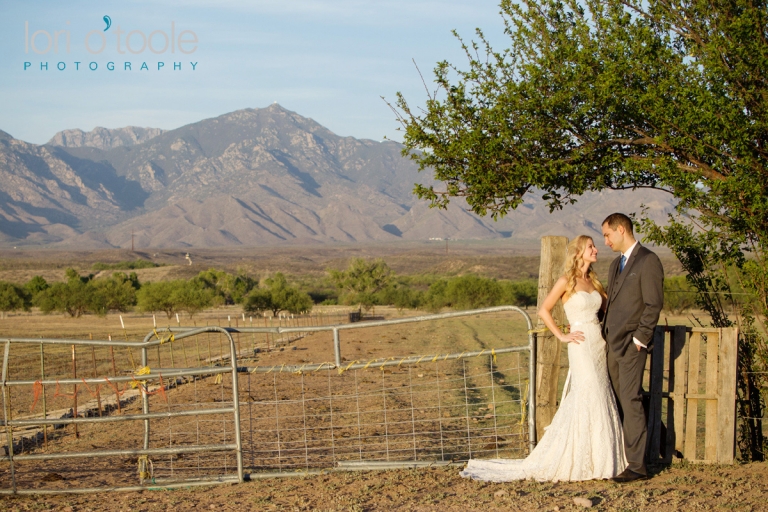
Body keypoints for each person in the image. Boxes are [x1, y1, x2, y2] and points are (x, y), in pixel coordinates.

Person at [460, 235, 627, 482]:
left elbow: (607, 310)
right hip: (579, 344)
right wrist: (561, 335)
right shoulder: (566, 281)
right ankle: (579, 458)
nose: (596, 249)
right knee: (588, 392)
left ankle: (602, 459)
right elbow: (543, 310)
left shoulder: (593, 281)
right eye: (591, 246)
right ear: (579, 253)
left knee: (601, 393)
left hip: (598, 344)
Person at [601, 213, 664, 482]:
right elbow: (612, 304)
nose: (605, 241)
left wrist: (640, 338)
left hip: (631, 346)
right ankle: (623, 458)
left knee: (631, 400)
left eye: (607, 235)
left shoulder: (649, 260)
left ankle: (637, 466)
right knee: (617, 401)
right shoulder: (616, 264)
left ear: (621, 229)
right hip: (611, 345)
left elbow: (653, 304)